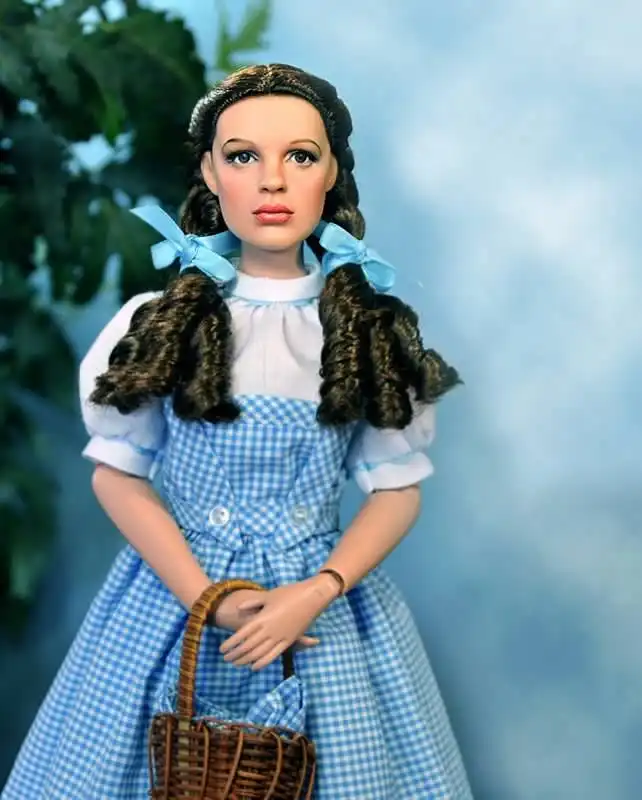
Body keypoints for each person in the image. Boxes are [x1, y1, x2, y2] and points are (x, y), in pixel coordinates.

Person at [1, 63, 472, 799]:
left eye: (301, 156)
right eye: (244, 156)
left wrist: (318, 590)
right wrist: (204, 596)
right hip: (176, 597)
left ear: (332, 175)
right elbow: (118, 474)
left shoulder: (363, 332)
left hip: (316, 609)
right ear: (210, 173)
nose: (272, 180)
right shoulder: (161, 323)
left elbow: (396, 490)